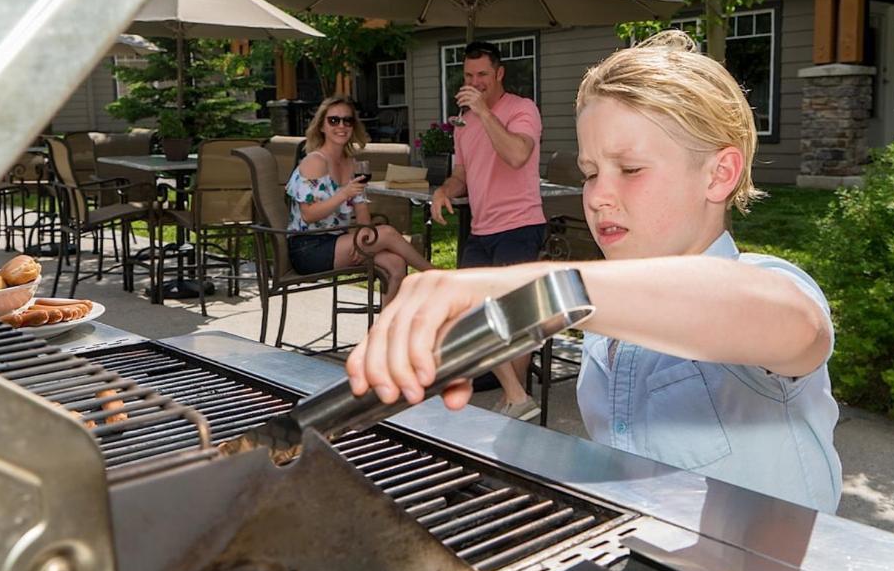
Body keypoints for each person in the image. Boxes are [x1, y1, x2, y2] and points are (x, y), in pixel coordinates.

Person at [345, 31, 843, 513]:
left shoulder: (771, 286)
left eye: (629, 170)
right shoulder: (606, 330)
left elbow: (795, 322)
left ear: (719, 174)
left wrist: (528, 289)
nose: (599, 195)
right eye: (589, 173)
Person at [430, 41, 547, 421]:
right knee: (470, 311)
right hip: (481, 229)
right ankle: (517, 396)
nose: (474, 82)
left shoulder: (521, 109)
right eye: (468, 75)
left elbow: (517, 154)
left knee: (514, 318)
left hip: (520, 225)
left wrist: (483, 111)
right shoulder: (464, 122)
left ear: (499, 74)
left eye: (482, 74)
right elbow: (462, 174)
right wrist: (444, 190)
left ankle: (516, 397)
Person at [286, 95, 434, 301]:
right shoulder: (315, 161)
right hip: (309, 248)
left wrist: (362, 241)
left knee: (396, 264)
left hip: (339, 241)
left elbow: (362, 211)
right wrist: (344, 194)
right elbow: (309, 214)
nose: (341, 126)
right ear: (321, 126)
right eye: (334, 120)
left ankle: (383, 330)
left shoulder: (351, 164)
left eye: (348, 120)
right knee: (388, 233)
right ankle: (436, 276)